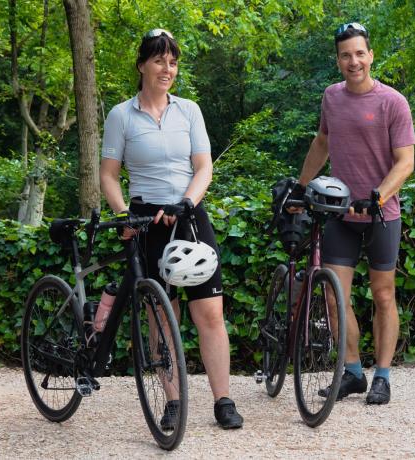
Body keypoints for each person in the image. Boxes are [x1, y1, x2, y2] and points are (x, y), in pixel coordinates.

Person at [99, 28, 243, 429]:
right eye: (160, 60)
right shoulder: (121, 115)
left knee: (210, 312)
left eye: (173, 62)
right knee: (162, 316)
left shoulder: (189, 111)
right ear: (142, 64)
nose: (168, 68)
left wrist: (187, 203)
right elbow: (108, 175)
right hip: (146, 219)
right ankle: (174, 402)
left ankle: (224, 401)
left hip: (189, 214)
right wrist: (124, 213)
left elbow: (204, 167)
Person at [293, 22, 415, 405]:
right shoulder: (332, 97)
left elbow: (406, 162)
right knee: (334, 296)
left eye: (359, 53)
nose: (353, 61)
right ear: (338, 60)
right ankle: (352, 372)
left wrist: (378, 196)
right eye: (346, 55)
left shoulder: (392, 102)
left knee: (382, 295)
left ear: (371, 55)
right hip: (341, 215)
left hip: (382, 215)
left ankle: (382, 376)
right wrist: (299, 188)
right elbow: (323, 142)